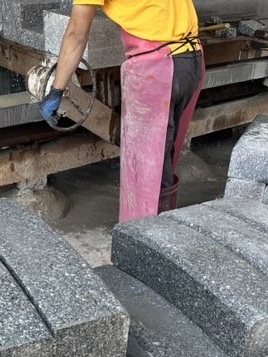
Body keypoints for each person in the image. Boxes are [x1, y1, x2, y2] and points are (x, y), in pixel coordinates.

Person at [39, 0, 204, 222]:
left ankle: (146, 236)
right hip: (191, 60)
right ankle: (162, 231)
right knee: (162, 162)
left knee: (145, 175)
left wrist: (56, 90)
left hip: (157, 70)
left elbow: (77, 33)